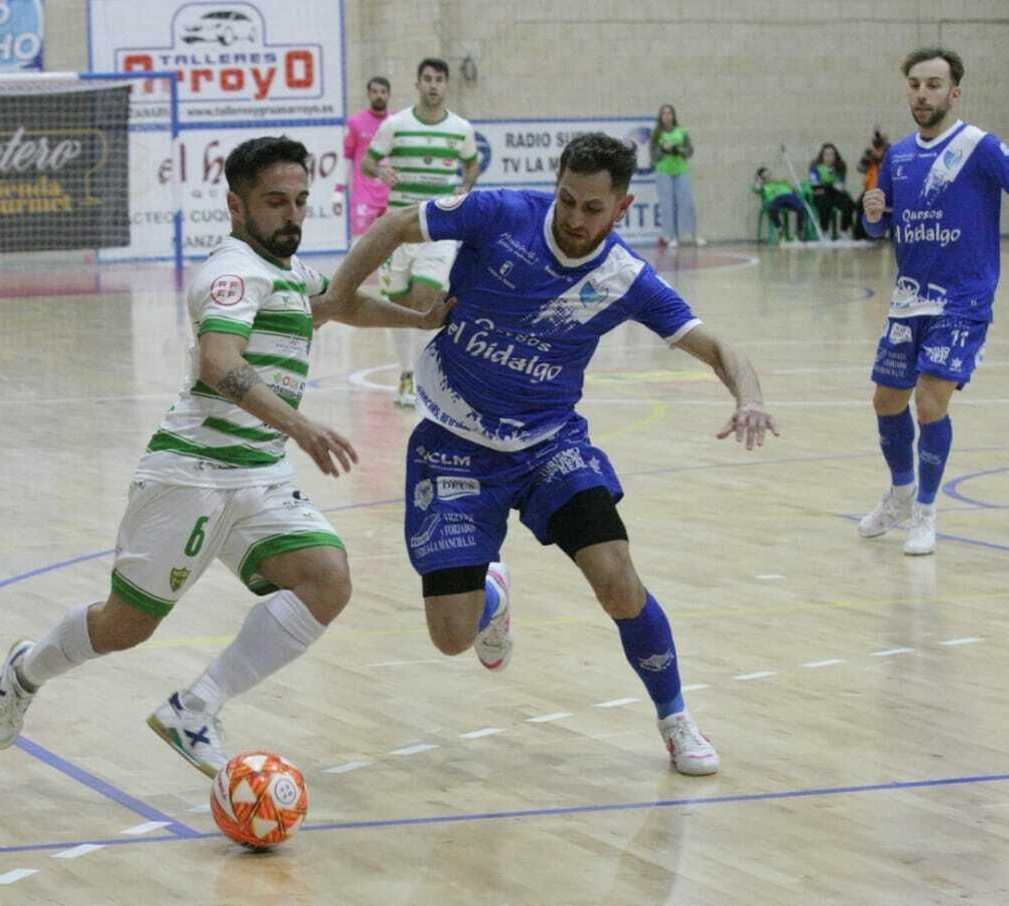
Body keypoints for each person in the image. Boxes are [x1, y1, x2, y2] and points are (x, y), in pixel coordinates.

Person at [0, 136, 451, 776]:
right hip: (191, 474)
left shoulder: (285, 270)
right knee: (125, 628)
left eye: (300, 201)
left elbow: (339, 303)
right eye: (275, 202)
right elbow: (218, 361)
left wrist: (416, 320)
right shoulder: (231, 274)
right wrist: (303, 426)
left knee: (327, 578)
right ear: (237, 206)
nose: (292, 215)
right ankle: (27, 669)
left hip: (258, 476)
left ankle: (195, 707)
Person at [326, 133, 780, 776]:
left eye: (593, 209)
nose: (574, 218)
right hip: (452, 441)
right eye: (567, 199)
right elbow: (398, 223)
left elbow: (714, 346)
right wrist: (342, 295)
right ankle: (491, 597)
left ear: (621, 209)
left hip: (547, 446)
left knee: (617, 578)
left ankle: (676, 719)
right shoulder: (501, 214)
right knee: (450, 637)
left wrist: (750, 397)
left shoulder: (623, 278)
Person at [857, 47, 1009, 555]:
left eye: (934, 85)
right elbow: (880, 225)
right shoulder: (897, 155)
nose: (923, 94)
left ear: (954, 93)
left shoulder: (979, 147)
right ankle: (900, 492)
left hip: (963, 299)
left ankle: (925, 509)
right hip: (909, 298)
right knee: (886, 401)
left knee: (929, 404)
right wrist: (874, 213)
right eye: (916, 85)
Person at [362, 58, 480, 409]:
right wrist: (381, 172)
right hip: (397, 228)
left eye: (439, 80)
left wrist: (465, 186)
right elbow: (369, 161)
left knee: (426, 299)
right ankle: (406, 374)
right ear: (418, 84)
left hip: (439, 228)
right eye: (426, 79)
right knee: (397, 307)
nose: (433, 85)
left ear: (446, 85)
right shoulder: (396, 124)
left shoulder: (461, 128)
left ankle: (434, 376)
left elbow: (472, 163)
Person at [334, 76, 393, 242]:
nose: (379, 96)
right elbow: (347, 157)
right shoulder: (355, 123)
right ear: (369, 94)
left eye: (382, 92)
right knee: (360, 246)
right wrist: (339, 190)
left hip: (391, 196)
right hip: (364, 196)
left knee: (391, 251)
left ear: (388, 95)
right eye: (374, 91)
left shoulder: (396, 122)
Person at [650, 104, 703, 249]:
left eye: (669, 113)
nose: (667, 116)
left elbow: (690, 151)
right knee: (668, 205)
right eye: (664, 114)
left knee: (687, 203)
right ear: (660, 117)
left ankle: (693, 234)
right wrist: (663, 149)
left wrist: (678, 149)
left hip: (681, 170)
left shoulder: (682, 132)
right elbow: (654, 156)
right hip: (664, 171)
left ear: (673, 116)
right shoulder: (657, 135)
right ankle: (671, 236)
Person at [808, 143, 859, 239]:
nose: (829, 157)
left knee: (849, 204)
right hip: (821, 193)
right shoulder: (815, 166)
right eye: (826, 155)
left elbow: (840, 185)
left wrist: (829, 185)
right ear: (822, 156)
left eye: (831, 154)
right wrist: (829, 185)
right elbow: (815, 184)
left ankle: (844, 230)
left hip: (836, 193)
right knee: (824, 203)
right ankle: (825, 231)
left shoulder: (840, 166)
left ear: (835, 156)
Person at [754, 166, 809, 241]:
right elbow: (756, 189)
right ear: (762, 177)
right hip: (776, 198)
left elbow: (794, 190)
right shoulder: (764, 185)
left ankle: (799, 231)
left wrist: (796, 189)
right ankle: (780, 229)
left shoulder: (782, 181)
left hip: (789, 196)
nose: (768, 176)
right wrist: (760, 181)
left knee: (801, 208)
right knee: (772, 209)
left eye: (768, 173)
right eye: (765, 175)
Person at [853, 128, 889, 239]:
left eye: (880, 149)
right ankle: (859, 234)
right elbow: (860, 168)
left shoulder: (890, 154)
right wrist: (869, 153)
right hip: (870, 189)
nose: (878, 152)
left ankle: (881, 234)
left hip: (885, 190)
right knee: (860, 205)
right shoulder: (869, 155)